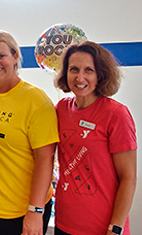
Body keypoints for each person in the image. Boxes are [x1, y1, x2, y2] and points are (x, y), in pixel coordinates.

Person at [0, 30, 59, 235]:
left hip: (17, 211)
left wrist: (35, 211)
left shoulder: (37, 102)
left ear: (15, 57)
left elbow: (45, 160)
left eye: (1, 55)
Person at [53, 41, 137, 235]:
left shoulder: (116, 114)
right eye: (74, 69)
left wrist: (115, 228)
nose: (80, 77)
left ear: (100, 75)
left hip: (103, 227)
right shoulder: (60, 110)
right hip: (65, 223)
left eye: (88, 70)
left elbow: (128, 178)